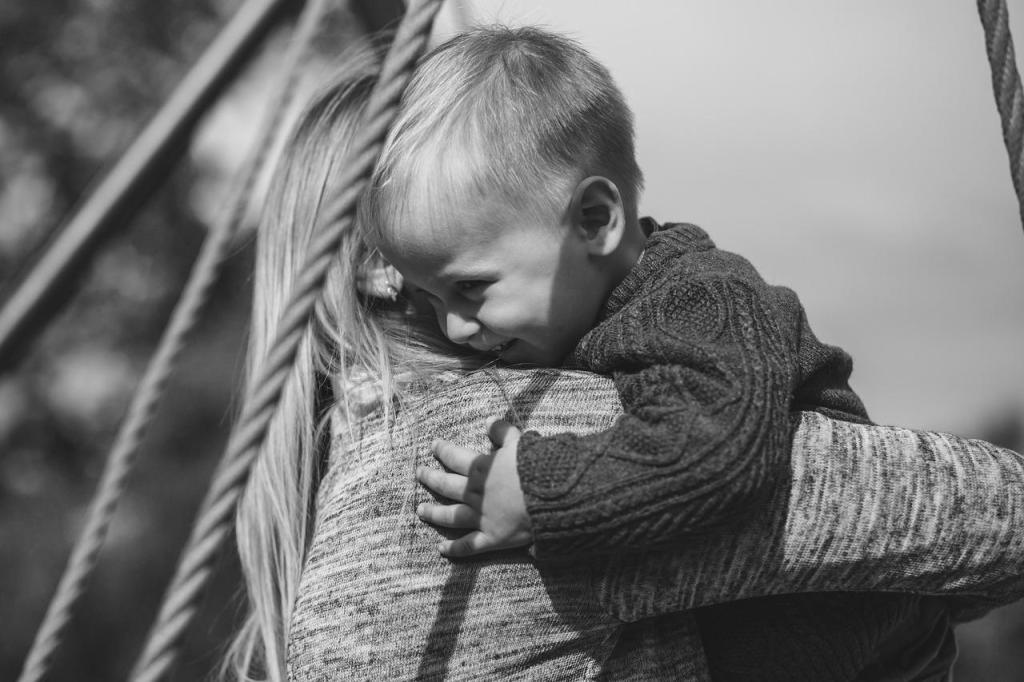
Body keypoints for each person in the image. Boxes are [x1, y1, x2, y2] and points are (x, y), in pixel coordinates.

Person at [228, 39, 1024, 682]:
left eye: (470, 287)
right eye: (433, 296)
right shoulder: (498, 420)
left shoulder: (699, 299)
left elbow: (726, 453)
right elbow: (972, 516)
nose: (462, 327)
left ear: (598, 219)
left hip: (850, 627)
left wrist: (541, 491)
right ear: (381, 274)